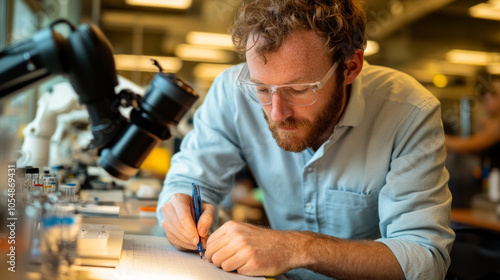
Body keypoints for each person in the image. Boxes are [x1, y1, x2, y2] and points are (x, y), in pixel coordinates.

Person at [157, 1, 455, 279]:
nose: (276, 113)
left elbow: (425, 259)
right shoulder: (231, 92)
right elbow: (187, 182)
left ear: (351, 67)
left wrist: (297, 248)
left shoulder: (409, 112)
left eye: (299, 89)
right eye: (262, 89)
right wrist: (179, 209)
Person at [445, 69, 500, 169]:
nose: (486, 97)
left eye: (493, 94)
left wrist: (441, 140)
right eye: (485, 93)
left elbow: (470, 145)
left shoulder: (497, 126)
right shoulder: (492, 122)